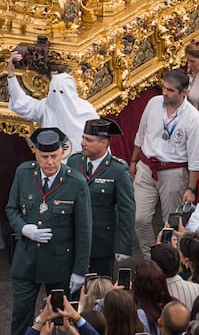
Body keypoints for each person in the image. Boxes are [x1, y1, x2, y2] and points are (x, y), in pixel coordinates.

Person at [6, 127, 92, 333]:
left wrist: (80, 271)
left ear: (62, 153)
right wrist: (23, 228)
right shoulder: (24, 173)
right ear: (36, 154)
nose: (50, 162)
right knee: (21, 317)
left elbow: (84, 230)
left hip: (59, 265)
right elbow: (11, 209)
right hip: (27, 262)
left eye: (54, 156)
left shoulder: (75, 182)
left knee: (61, 320)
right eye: (44, 157)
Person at [129, 70, 199, 257]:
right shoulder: (153, 103)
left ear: (183, 92)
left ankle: (170, 259)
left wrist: (191, 189)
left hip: (174, 172)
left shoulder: (192, 118)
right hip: (146, 167)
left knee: (170, 222)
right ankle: (149, 256)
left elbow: (195, 159)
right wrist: (133, 160)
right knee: (139, 218)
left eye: (170, 90)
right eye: (163, 88)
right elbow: (141, 133)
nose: (165, 93)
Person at [65, 118, 134, 277]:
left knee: (99, 291)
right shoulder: (74, 162)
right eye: (83, 138)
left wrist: (124, 247)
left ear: (104, 143)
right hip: (73, 241)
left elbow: (127, 210)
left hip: (101, 244)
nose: (83, 143)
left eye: (88, 140)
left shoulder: (118, 170)